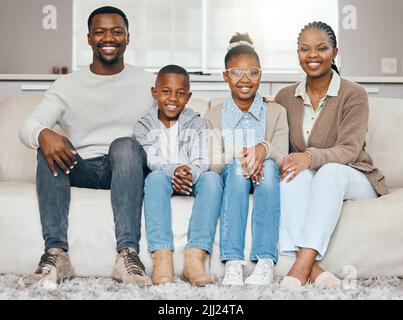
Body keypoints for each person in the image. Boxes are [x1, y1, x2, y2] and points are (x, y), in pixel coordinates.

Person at [18, 6, 155, 286]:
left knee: (125, 145)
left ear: (128, 38)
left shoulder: (147, 83)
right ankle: (56, 255)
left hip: (127, 168)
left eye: (117, 32)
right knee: (47, 145)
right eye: (100, 32)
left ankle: (128, 256)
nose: (109, 38)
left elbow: (176, 119)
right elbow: (27, 128)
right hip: (80, 167)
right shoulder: (67, 84)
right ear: (89, 38)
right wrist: (44, 133)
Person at [275, 21, 388, 289]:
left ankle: (300, 268)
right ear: (298, 53)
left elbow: (349, 149)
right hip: (312, 173)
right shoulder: (284, 96)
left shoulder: (354, 94)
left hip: (353, 174)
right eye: (305, 49)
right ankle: (315, 270)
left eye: (321, 48)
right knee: (291, 176)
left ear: (335, 52)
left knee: (329, 171)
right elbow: (281, 146)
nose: (312, 55)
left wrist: (310, 157)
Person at [205, 33, 289, 286]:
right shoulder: (213, 115)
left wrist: (263, 149)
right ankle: (232, 262)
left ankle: (265, 261)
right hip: (233, 178)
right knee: (236, 165)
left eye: (252, 72)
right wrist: (241, 155)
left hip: (267, 178)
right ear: (225, 76)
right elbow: (211, 163)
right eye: (236, 72)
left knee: (271, 166)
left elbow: (283, 156)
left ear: (260, 75)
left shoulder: (276, 112)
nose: (244, 79)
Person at [135, 65, 223, 286]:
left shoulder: (195, 122)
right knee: (153, 178)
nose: (173, 98)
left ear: (188, 96)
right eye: (166, 91)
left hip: (191, 178)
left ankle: (195, 258)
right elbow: (151, 158)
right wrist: (174, 170)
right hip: (163, 178)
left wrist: (188, 173)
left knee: (212, 179)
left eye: (180, 93)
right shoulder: (144, 125)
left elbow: (201, 159)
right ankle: (162, 259)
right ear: (154, 93)